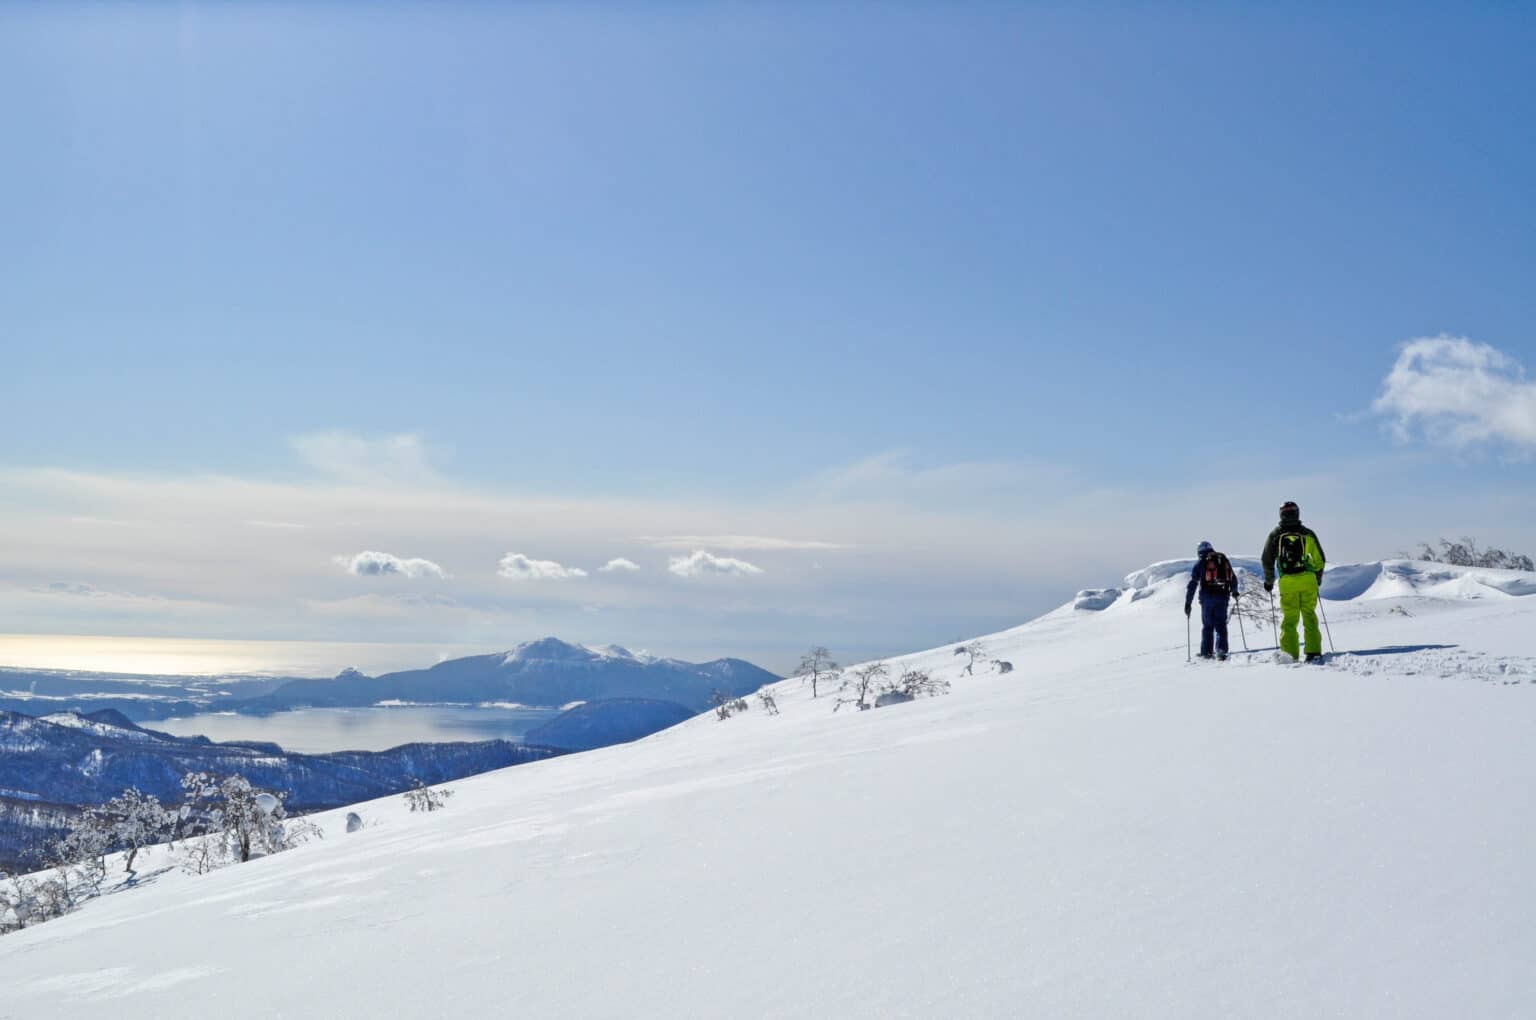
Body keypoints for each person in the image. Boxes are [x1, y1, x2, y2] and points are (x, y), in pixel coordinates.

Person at [1261, 501, 1327, 662]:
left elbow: (1266, 560)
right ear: (1297, 513)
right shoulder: (1307, 534)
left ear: (1281, 514)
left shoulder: (1275, 535)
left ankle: (1289, 655)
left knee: (1290, 619)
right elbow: (1320, 560)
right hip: (1308, 581)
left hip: (1287, 583)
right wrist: (1317, 579)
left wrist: (1269, 581)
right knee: (1309, 616)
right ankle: (1313, 652)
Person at [1185, 541, 1236, 660]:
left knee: (1207, 626)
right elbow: (1233, 578)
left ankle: (1206, 652)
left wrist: (1188, 603)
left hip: (1207, 598)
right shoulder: (1222, 560)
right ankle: (1221, 650)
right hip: (1223, 597)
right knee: (1221, 625)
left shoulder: (1200, 564)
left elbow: (1192, 584)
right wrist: (1234, 591)